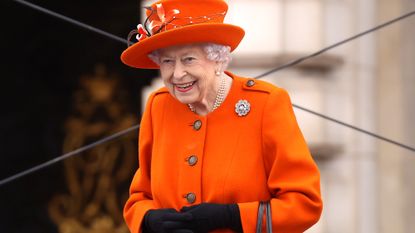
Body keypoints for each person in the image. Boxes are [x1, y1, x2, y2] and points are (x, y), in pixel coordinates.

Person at [121, 0, 323, 232]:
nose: (177, 74)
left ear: (217, 58)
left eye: (188, 59)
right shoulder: (159, 106)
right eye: (167, 61)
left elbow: (304, 203)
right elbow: (140, 196)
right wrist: (148, 220)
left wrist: (233, 216)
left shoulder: (266, 103)